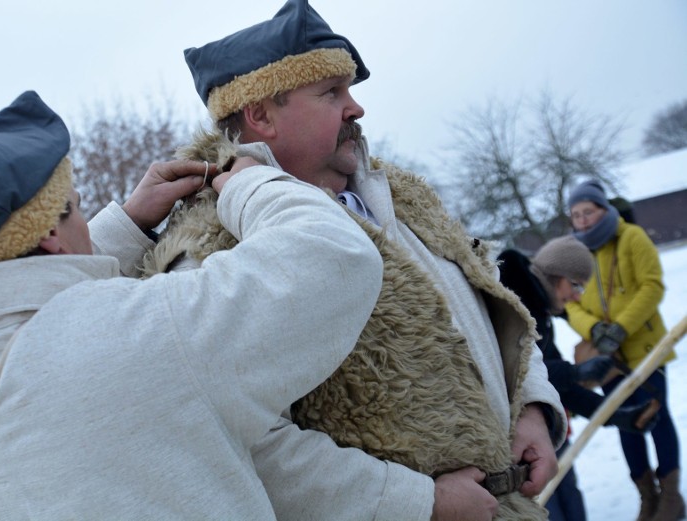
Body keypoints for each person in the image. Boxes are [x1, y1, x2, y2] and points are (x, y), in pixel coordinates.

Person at [0, 91, 385, 519]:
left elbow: (32, 324)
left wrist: (128, 225)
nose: (87, 222)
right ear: (47, 232)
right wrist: (248, 185)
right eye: (79, 209)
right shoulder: (145, 335)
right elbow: (331, 255)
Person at [144, 2, 567, 519]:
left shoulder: (408, 196)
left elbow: (491, 308)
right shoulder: (210, 248)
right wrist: (418, 502)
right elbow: (235, 438)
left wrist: (533, 408)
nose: (356, 108)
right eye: (331, 93)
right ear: (260, 115)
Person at [498, 235, 660, 521]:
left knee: (569, 497)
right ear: (556, 276)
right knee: (548, 510)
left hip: (545, 434)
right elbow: (519, 371)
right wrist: (575, 371)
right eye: (575, 285)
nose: (577, 297)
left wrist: (617, 415)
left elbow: (557, 384)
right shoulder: (512, 305)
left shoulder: (539, 312)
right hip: (516, 441)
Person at [566, 179, 683, 521]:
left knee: (657, 419)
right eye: (576, 215)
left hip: (646, 348)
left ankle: (671, 498)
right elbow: (568, 304)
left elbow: (652, 286)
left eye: (588, 211)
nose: (583, 220)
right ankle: (647, 498)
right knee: (626, 425)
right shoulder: (576, 254)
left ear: (604, 210)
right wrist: (593, 329)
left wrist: (621, 328)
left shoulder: (631, 236)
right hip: (607, 360)